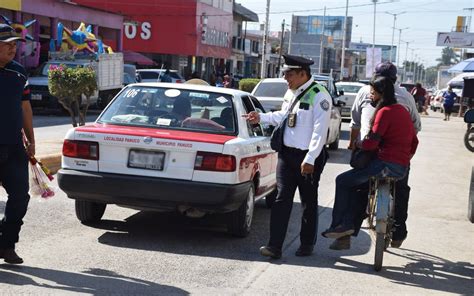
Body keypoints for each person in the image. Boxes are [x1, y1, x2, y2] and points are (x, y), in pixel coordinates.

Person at [243, 54, 331, 259]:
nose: (285, 78)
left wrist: (310, 159)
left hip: (308, 158)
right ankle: (274, 246)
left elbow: (320, 131)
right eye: (284, 74)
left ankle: (307, 243)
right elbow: (283, 116)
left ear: (302, 73)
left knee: (308, 201)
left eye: (289, 74)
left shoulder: (320, 95)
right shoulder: (291, 92)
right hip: (286, 155)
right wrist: (261, 117)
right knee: (282, 199)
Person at [322, 76, 419, 243]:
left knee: (343, 181)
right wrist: (403, 157)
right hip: (401, 168)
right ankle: (392, 231)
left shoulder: (384, 112)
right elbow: (415, 142)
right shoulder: (403, 111)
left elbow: (371, 143)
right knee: (361, 186)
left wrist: (359, 143)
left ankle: (339, 225)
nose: (370, 97)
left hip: (383, 166)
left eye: (372, 93)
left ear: (381, 94)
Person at [0, 24, 36, 264]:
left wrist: (31, 139)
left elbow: (25, 107)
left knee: (20, 197)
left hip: (14, 147)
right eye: (7, 44)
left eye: (15, 44)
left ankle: (6, 245)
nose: (13, 48)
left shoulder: (19, 72)